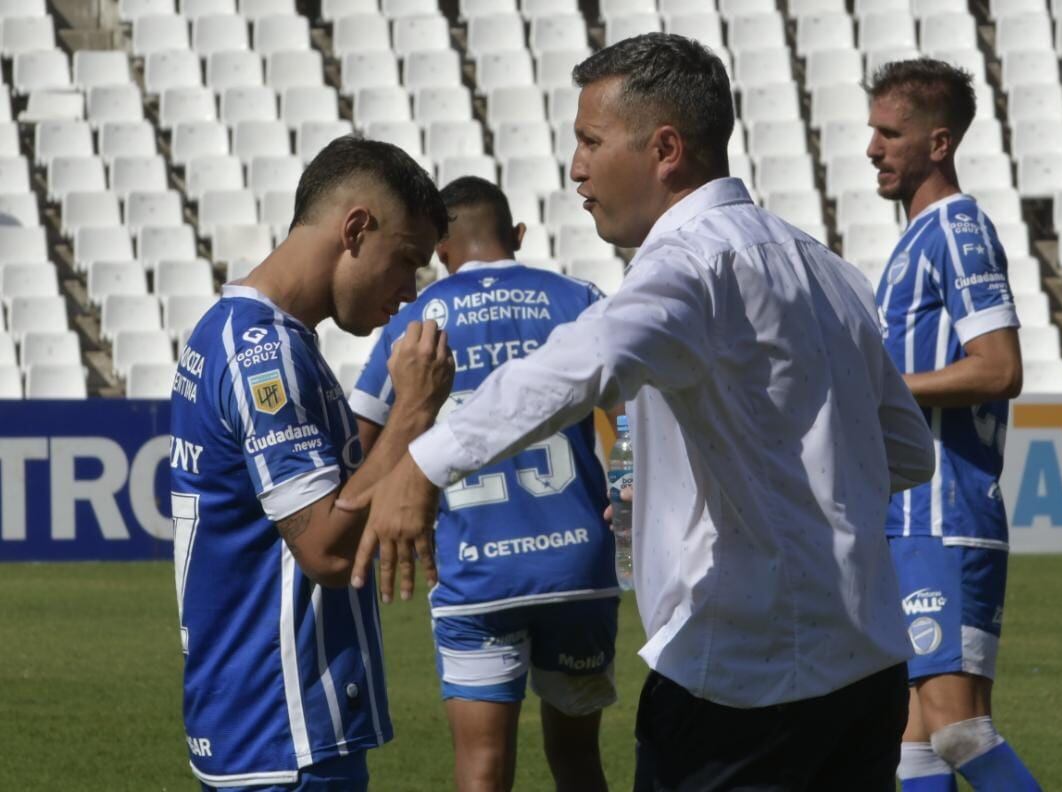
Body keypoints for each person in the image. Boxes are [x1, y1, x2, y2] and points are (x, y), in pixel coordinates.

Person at [342, 33, 937, 791]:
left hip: (743, 685)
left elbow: (583, 360)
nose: (576, 168)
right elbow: (907, 450)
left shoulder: (691, 264)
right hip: (866, 674)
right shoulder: (826, 268)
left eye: (590, 141)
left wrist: (424, 464)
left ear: (665, 148)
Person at [169, 136, 455, 791]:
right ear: (355, 229)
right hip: (282, 729)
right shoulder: (264, 357)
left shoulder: (235, 334)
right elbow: (325, 552)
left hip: (255, 719)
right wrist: (411, 413)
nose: (409, 293)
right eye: (406, 260)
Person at [349, 176, 618, 792]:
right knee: (580, 764)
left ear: (440, 248)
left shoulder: (415, 321)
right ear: (517, 236)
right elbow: (636, 410)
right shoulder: (578, 297)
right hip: (578, 567)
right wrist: (626, 492)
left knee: (481, 770)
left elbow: (363, 442)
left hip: (473, 571)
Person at [866, 58, 1041, 792]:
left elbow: (999, 367)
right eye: (872, 131)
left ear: (939, 143)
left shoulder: (956, 229)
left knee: (957, 727)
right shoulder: (914, 238)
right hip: (910, 518)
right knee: (914, 739)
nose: (873, 148)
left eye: (890, 133)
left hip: (945, 513)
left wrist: (878, 390)